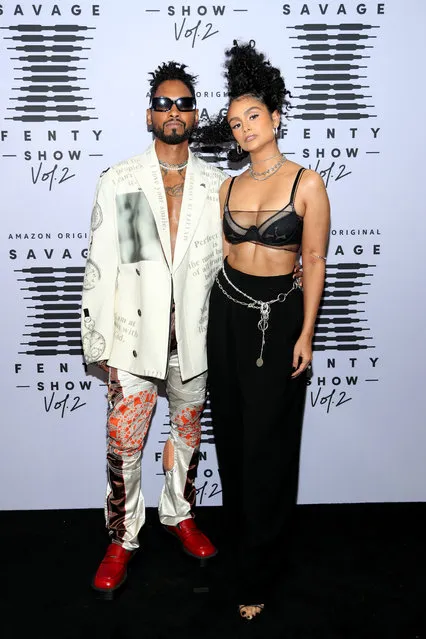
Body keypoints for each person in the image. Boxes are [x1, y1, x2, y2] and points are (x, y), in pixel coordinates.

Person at [81, 61, 228, 599]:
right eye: (164, 104)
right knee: (125, 446)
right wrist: (98, 345)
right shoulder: (121, 181)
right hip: (131, 340)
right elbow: (103, 269)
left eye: (183, 104)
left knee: (186, 436)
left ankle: (180, 514)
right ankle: (123, 537)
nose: (173, 112)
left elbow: (230, 260)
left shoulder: (217, 185)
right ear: (149, 115)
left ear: (194, 114)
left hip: (195, 338)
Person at [203, 41, 331, 621]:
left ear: (276, 116)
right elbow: (215, 256)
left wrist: (306, 333)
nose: (245, 127)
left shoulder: (307, 183)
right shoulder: (227, 187)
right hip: (227, 313)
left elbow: (314, 260)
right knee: (230, 437)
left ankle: (262, 564)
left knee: (269, 443)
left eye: (253, 115)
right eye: (235, 122)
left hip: (278, 318)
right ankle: (239, 547)